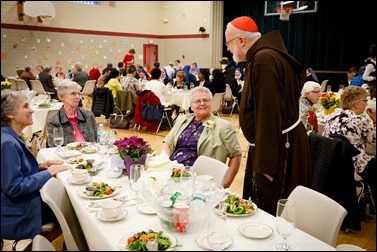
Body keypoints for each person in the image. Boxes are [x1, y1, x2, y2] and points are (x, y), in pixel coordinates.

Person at [225, 16, 311, 215]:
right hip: (282, 140)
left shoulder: (263, 60)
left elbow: (268, 114)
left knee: (269, 209)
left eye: (229, 43)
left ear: (241, 40)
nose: (228, 49)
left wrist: (265, 163)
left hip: (277, 147)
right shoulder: (269, 55)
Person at [1, 90, 69, 241]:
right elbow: (14, 187)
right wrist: (48, 172)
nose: (31, 110)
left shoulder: (9, 136)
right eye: (25, 106)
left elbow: (13, 172)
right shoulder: (7, 143)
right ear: (10, 114)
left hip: (20, 202)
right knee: (69, 214)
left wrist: (40, 167)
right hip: (17, 211)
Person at [162, 86, 242, 188]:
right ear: (191, 105)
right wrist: (165, 163)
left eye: (206, 100)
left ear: (211, 103)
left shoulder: (224, 126)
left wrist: (225, 183)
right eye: (197, 101)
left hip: (200, 180)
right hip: (174, 172)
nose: (202, 103)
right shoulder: (182, 120)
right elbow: (167, 143)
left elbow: (236, 155)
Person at [322, 86, 376, 206]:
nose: (366, 104)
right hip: (354, 166)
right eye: (365, 101)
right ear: (356, 104)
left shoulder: (331, 117)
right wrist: (375, 120)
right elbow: (374, 140)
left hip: (332, 162)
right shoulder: (360, 121)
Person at [47, 81, 98, 147]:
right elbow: (53, 147)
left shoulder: (88, 115)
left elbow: (97, 140)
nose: (77, 97)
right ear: (61, 97)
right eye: (73, 94)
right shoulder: (53, 120)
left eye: (78, 94)